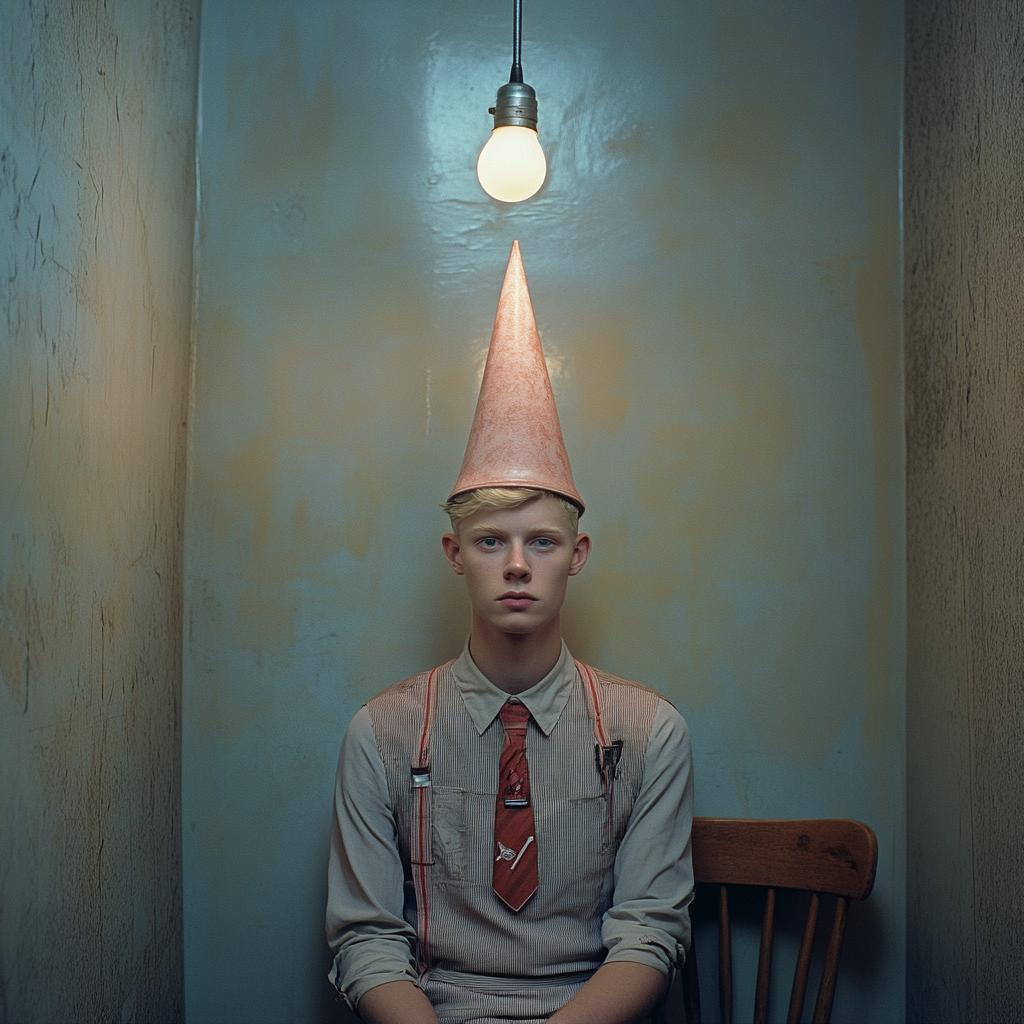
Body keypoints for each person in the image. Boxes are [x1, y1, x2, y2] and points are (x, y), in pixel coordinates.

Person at [326, 242, 694, 1024]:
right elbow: (365, 941)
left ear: (577, 557)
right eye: (493, 541)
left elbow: (649, 933)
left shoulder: (648, 733)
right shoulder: (383, 735)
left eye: (543, 543)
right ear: (455, 555)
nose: (518, 565)